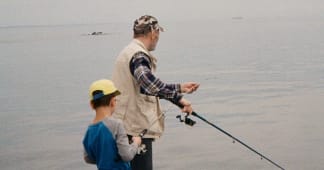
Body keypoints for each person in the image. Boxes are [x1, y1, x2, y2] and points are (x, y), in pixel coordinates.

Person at [111, 15, 200, 170]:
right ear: (153, 33)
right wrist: (179, 90)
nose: (158, 38)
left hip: (124, 127)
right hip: (134, 130)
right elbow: (149, 85)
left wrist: (179, 100)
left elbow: (146, 86)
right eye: (158, 33)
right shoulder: (138, 55)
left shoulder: (129, 51)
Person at [82, 79, 142, 170]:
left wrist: (103, 157)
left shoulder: (90, 130)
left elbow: (88, 158)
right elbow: (127, 156)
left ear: (91, 104)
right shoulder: (117, 125)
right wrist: (135, 143)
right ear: (113, 102)